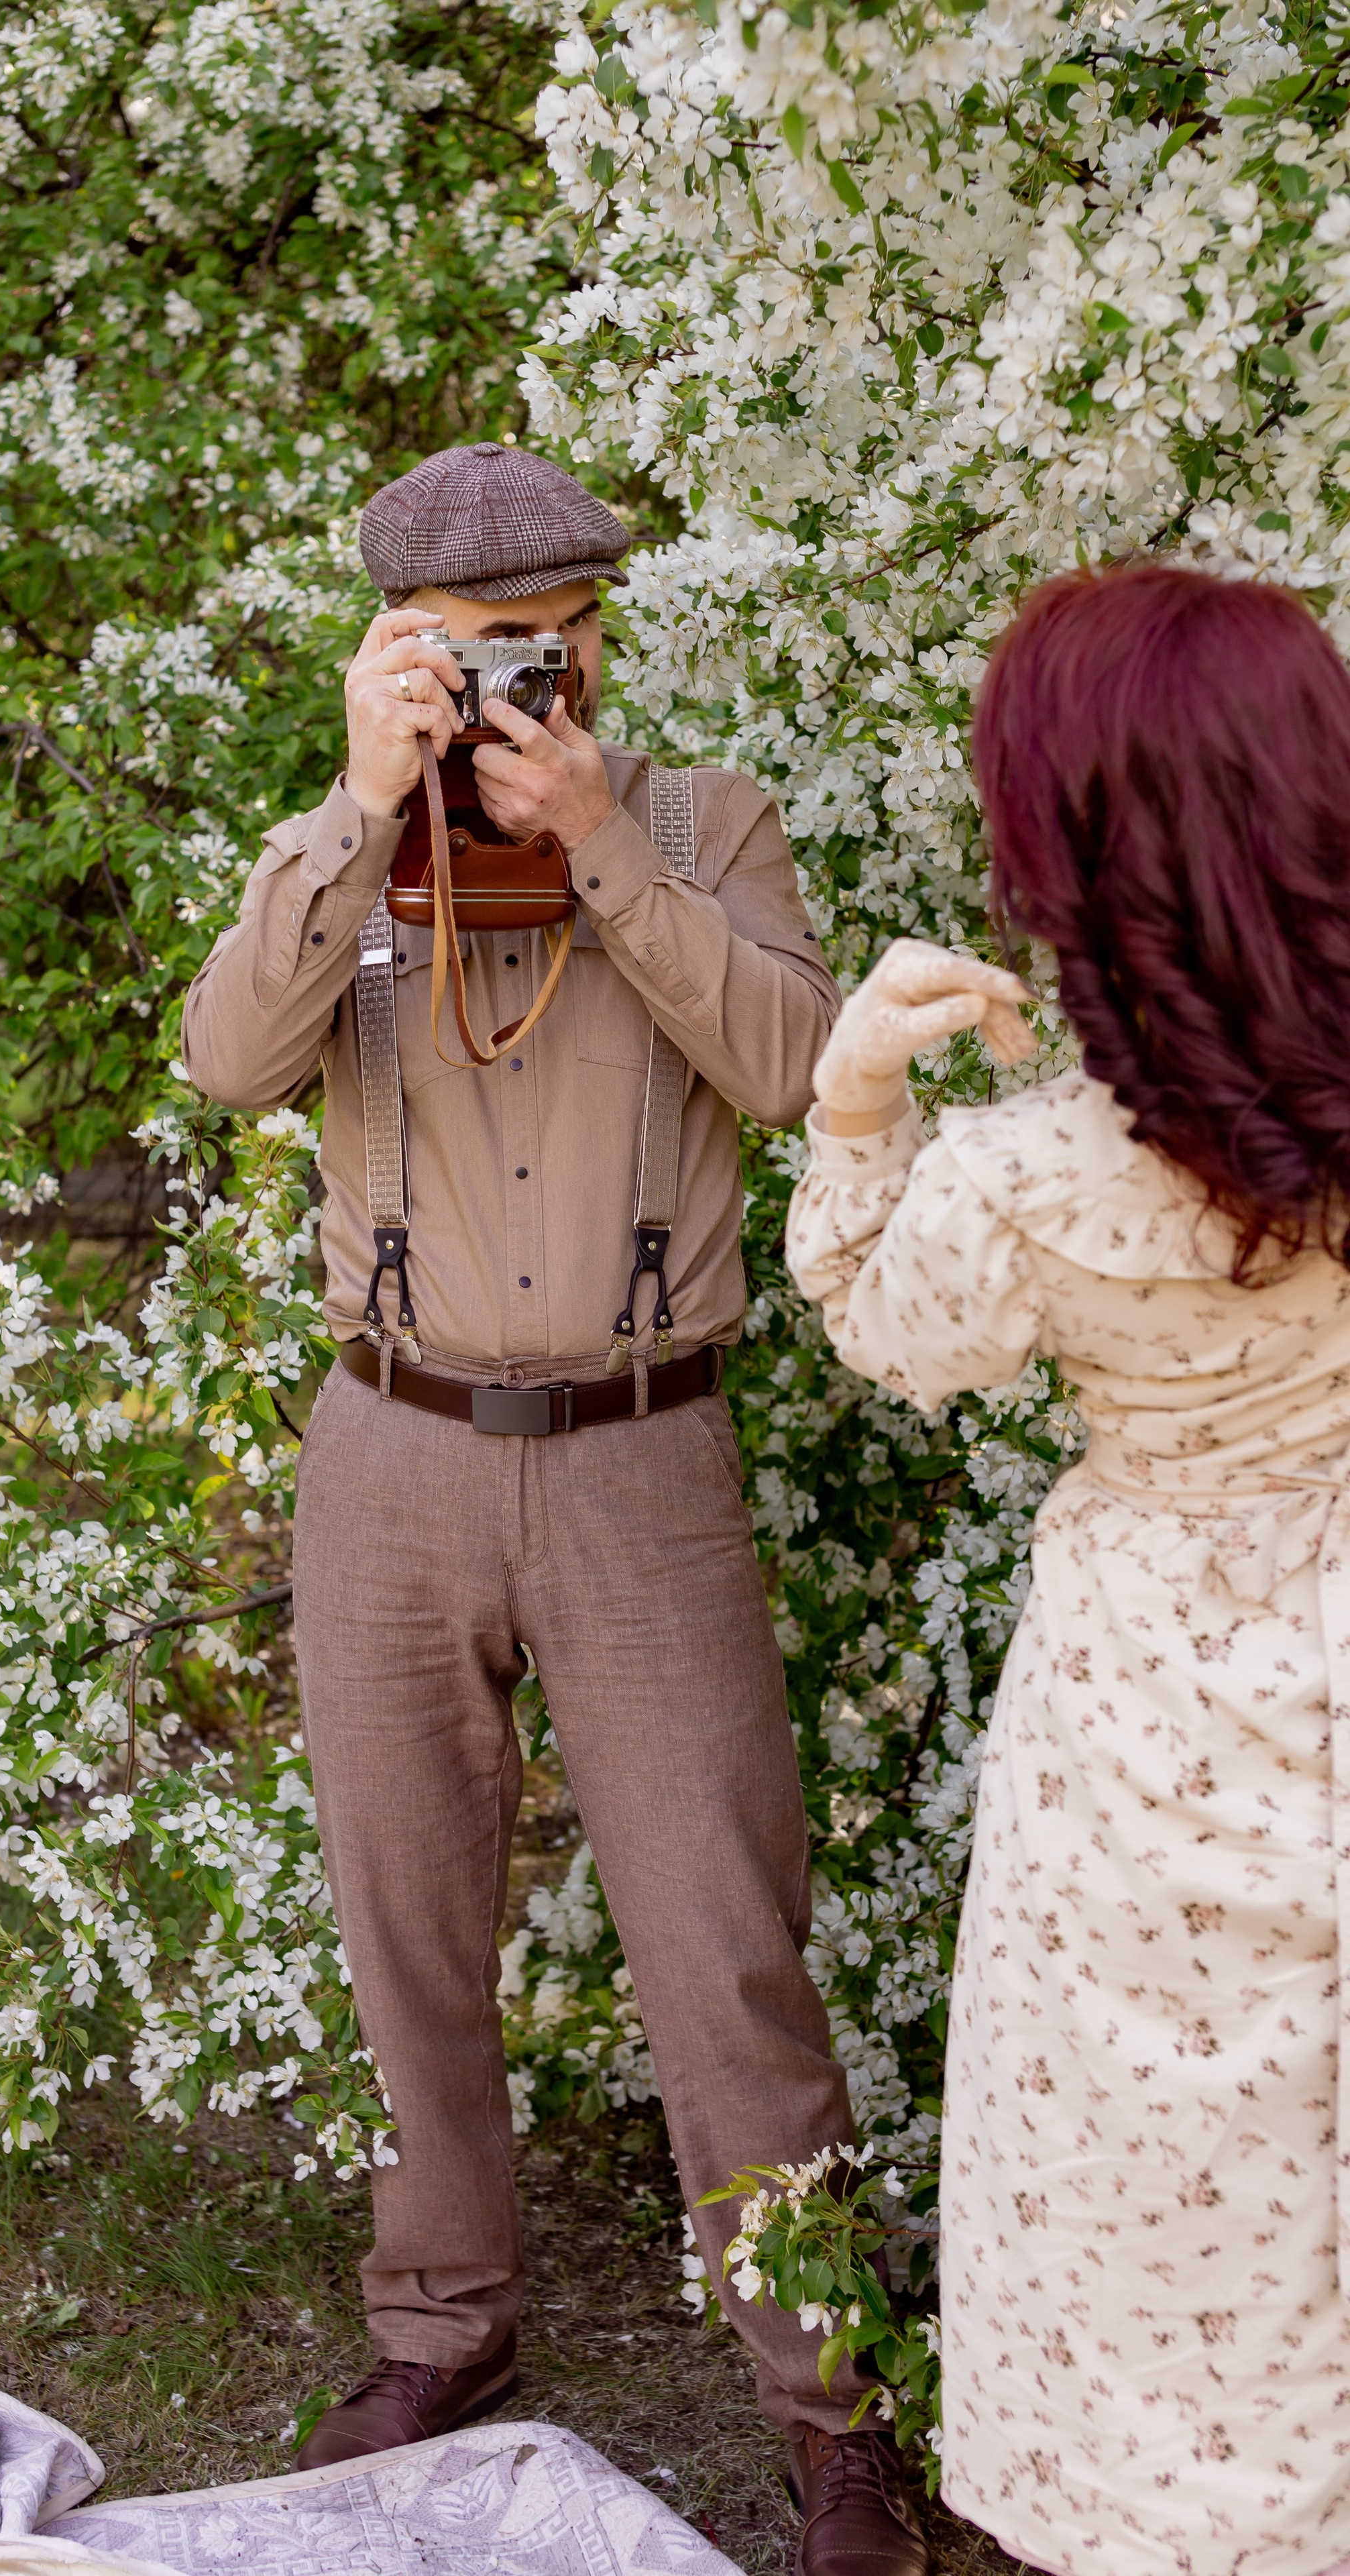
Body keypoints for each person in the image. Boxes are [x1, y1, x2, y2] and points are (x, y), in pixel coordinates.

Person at [184, 441, 932, 2574]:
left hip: (641, 1453)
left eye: (553, 635)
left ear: (602, 629)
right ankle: (444, 2323)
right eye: (473, 643)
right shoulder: (331, 851)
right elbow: (232, 1064)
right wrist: (358, 800)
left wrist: (604, 847)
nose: (525, 674)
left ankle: (833, 2400)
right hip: (392, 1454)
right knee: (408, 1919)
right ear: (398, 647)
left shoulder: (703, 826)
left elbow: (802, 1072)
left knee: (726, 1949)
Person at [785, 559, 1350, 2576]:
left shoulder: (1033, 1176)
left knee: (1166, 2166)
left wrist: (857, 1097)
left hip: (1155, 1696)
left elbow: (877, 1318)